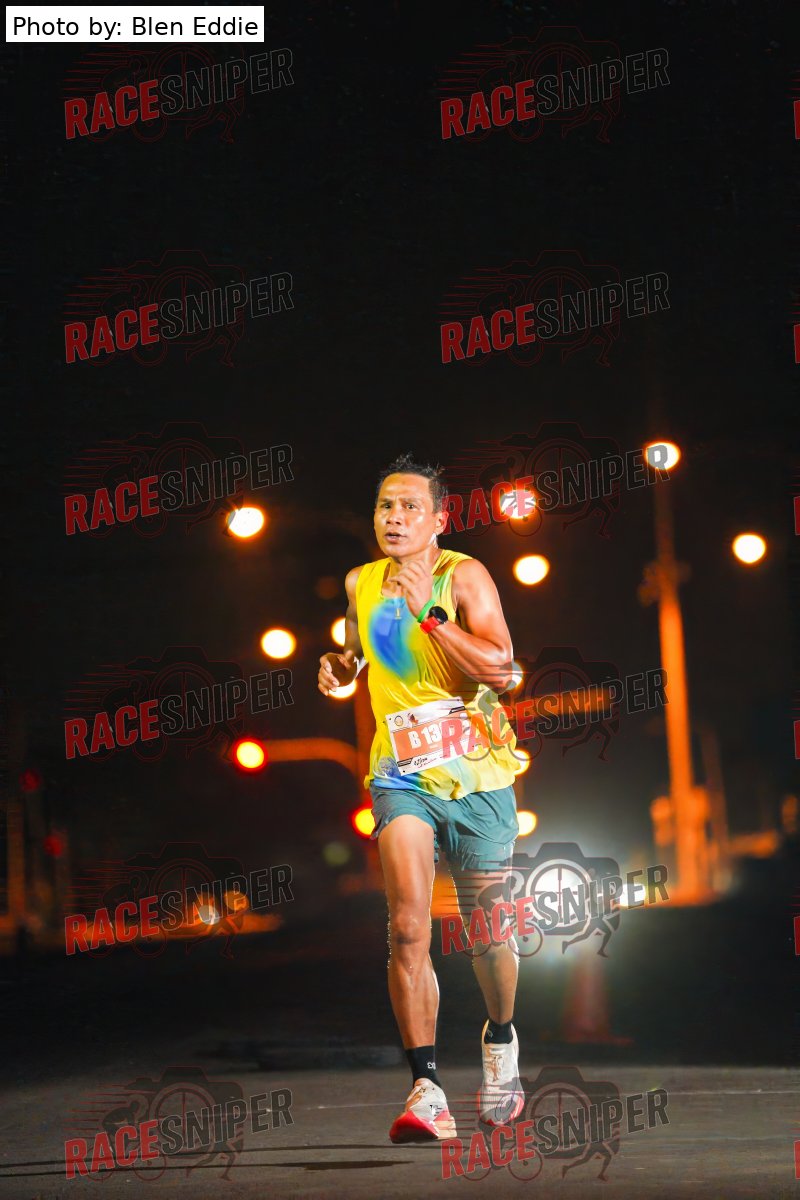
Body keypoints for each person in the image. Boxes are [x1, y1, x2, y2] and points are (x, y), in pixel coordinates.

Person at [317, 453, 525, 1143]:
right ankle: (427, 1087)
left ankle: (501, 1041)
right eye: (386, 506)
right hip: (400, 775)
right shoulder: (361, 582)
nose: (395, 518)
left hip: (477, 775)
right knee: (408, 925)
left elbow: (504, 668)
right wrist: (340, 667)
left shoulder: (463, 576)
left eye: (410, 507)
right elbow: (357, 652)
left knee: (487, 930)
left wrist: (430, 617)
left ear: (440, 519)